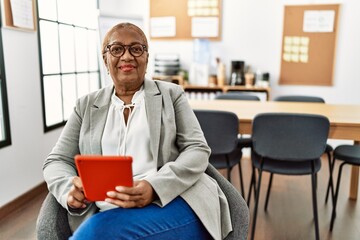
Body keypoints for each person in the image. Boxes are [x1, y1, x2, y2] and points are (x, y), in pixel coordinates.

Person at [42, 22, 232, 240]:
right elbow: (56, 160)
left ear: (146, 57)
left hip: (172, 200)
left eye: (136, 48)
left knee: (96, 234)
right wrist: (69, 190)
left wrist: (154, 187)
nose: (127, 56)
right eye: (116, 49)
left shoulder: (172, 95)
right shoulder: (85, 105)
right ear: (105, 59)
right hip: (107, 209)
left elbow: (197, 149)